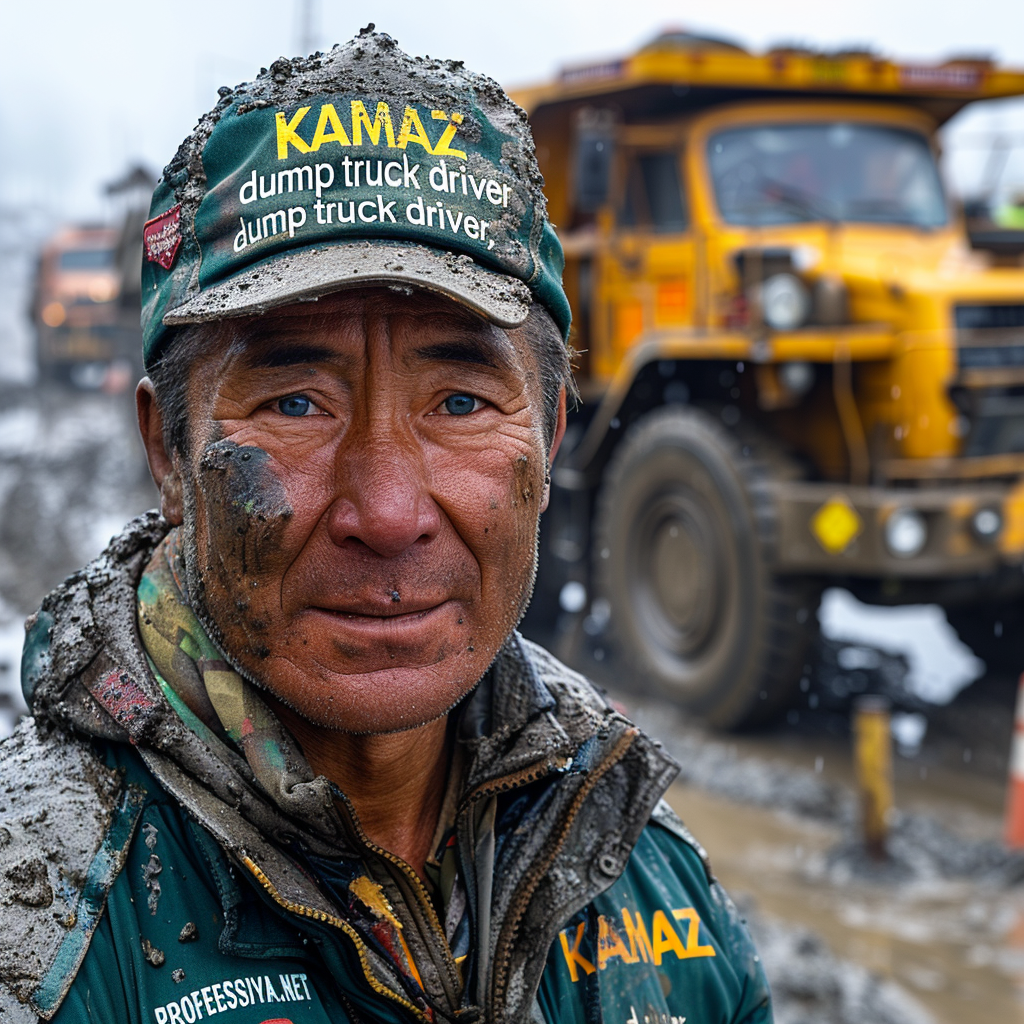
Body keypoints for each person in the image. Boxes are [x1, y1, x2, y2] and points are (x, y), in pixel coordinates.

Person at [3, 27, 771, 1024]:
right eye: (293, 404)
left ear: (549, 441)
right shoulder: (43, 929)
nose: (389, 511)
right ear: (168, 455)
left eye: (458, 402)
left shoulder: (638, 866)